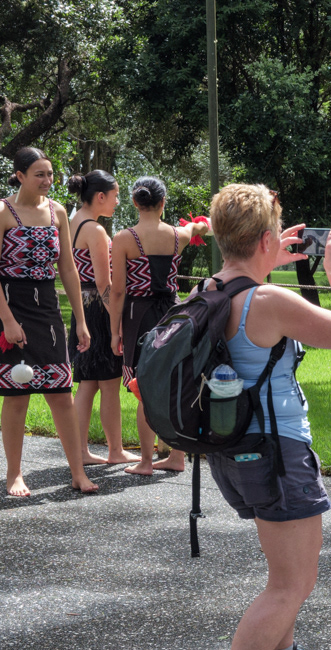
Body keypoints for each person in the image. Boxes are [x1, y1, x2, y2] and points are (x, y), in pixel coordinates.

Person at [197, 184, 331, 650]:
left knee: (287, 567)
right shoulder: (266, 301)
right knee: (291, 581)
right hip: (276, 452)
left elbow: (247, 313)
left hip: (237, 448)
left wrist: (268, 257)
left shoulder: (214, 288)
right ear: (266, 237)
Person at [0, 147, 99, 496]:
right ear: (20, 175)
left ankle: (77, 473)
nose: (47, 180)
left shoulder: (57, 211)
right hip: (8, 304)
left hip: (47, 309)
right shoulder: (0, 212)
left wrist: (80, 321)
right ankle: (14, 475)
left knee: (60, 392)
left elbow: (67, 268)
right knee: (17, 393)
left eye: (50, 174)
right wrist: (8, 321)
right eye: (39, 174)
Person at [108, 176, 209, 475]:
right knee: (177, 382)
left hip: (138, 318)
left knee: (145, 388)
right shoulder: (179, 235)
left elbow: (117, 291)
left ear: (135, 202)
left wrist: (115, 331)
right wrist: (204, 224)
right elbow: (199, 227)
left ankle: (146, 462)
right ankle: (177, 457)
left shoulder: (124, 238)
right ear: (163, 202)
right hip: (174, 314)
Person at [66, 170, 138, 465]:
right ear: (100, 196)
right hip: (97, 310)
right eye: (116, 195)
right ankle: (114, 450)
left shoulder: (72, 222)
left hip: (80, 307)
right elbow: (103, 283)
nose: (118, 201)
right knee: (107, 382)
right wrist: (117, 320)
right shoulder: (95, 230)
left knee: (88, 382)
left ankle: (81, 451)